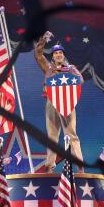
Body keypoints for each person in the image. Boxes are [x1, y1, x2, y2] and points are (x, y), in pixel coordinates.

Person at [34, 31, 84, 168]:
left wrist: (69, 79)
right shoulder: (48, 68)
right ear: (53, 56)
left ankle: (80, 164)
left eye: (60, 53)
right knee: (52, 135)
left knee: (71, 134)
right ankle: (50, 165)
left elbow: (80, 80)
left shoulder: (71, 68)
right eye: (55, 53)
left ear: (63, 55)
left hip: (67, 103)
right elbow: (38, 55)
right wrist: (44, 39)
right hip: (51, 102)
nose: (58, 55)